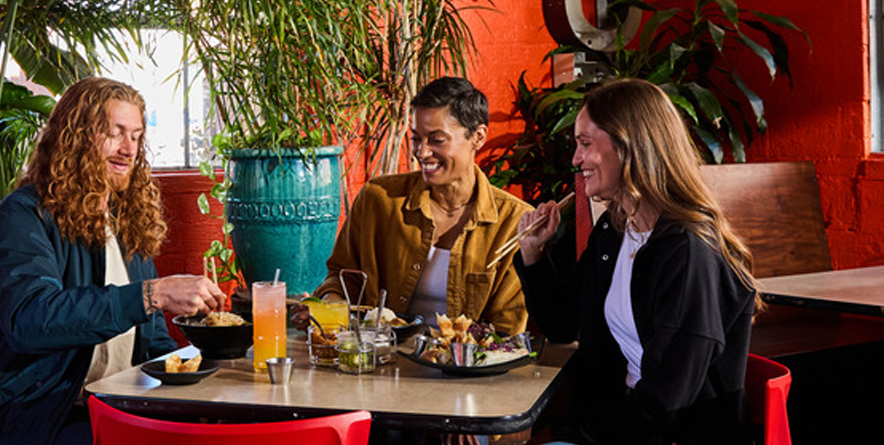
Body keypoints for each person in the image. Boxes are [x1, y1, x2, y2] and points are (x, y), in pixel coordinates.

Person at [0, 77, 226, 445]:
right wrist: (152, 295)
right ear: (75, 138)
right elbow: (31, 320)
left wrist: (203, 369)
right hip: (37, 414)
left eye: (136, 136)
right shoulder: (21, 220)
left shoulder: (126, 220)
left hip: (117, 403)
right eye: (114, 133)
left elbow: (152, 344)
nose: (128, 150)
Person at [516, 78, 760, 445]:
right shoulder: (615, 231)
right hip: (627, 424)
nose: (575, 160)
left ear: (629, 147)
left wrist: (579, 435)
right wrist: (533, 255)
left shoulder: (687, 250)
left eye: (585, 144)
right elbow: (562, 323)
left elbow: (666, 400)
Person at [300, 76, 532, 337]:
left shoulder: (515, 222)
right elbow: (344, 278)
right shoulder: (378, 200)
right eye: (416, 139)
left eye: (436, 140)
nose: (422, 152)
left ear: (478, 137)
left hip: (467, 370)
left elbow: (508, 328)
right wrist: (330, 303)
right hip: (383, 362)